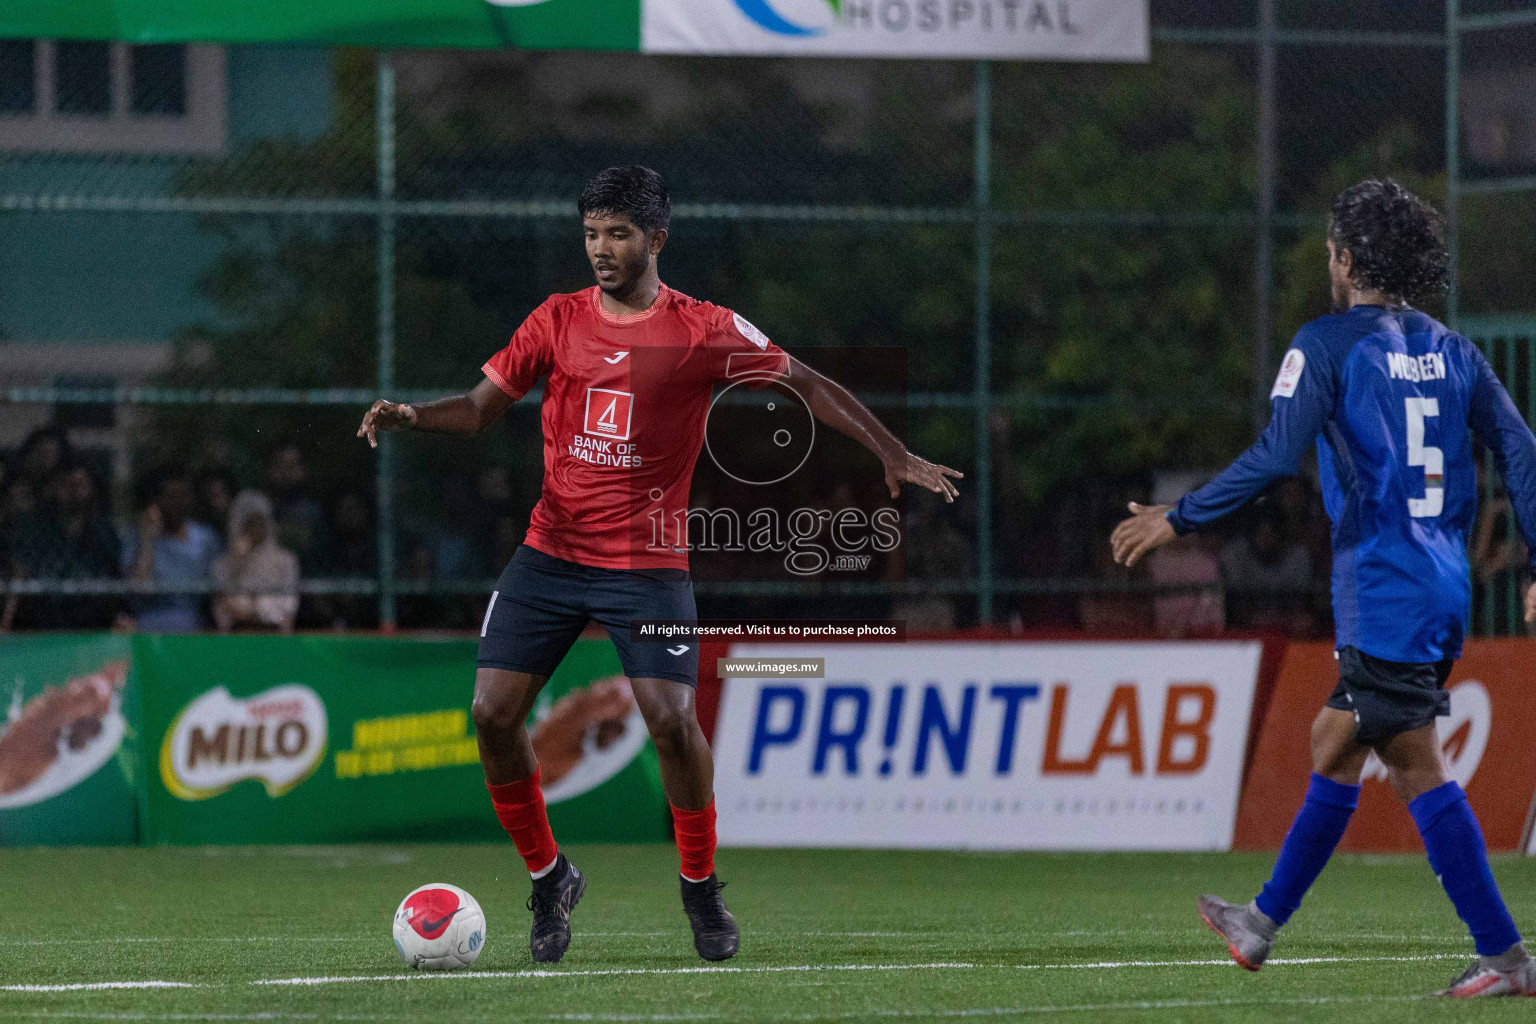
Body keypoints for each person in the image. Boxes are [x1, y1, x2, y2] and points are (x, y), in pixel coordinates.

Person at [357, 166, 961, 965]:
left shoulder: (702, 329)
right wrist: (412, 415)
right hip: (551, 553)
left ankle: (701, 886)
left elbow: (807, 384)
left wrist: (892, 452)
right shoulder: (556, 320)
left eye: (618, 234)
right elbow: (475, 410)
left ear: (656, 239)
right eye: (591, 234)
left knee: (672, 723)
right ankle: (549, 877)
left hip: (646, 565)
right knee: (491, 715)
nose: (601, 250)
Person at [1110, 179, 1536, 997]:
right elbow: (1521, 455)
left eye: (1330, 248)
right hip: (1439, 585)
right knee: (1333, 743)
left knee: (1414, 762)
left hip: (1383, 586)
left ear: (1345, 258)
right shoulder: (1457, 352)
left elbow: (1276, 458)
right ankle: (1259, 924)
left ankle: (1508, 959)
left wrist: (1180, 519)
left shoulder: (1328, 344)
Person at [7, 465, 123, 630]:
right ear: (56, 488)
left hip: (94, 624)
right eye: (67, 485)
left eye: (80, 485)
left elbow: (117, 579)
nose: (74, 491)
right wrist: (5, 625)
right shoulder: (36, 531)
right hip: (44, 624)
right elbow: (19, 574)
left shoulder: (104, 532)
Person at [122, 468, 222, 633]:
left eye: (183, 495)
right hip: (147, 622)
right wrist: (147, 540)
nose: (177, 503)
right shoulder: (137, 536)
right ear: (157, 500)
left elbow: (217, 590)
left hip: (193, 624)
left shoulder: (205, 538)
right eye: (171, 496)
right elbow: (138, 588)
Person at [211, 490, 300, 633]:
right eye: (250, 523)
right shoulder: (222, 564)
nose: (256, 529)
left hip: (274, 636)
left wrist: (257, 612)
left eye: (260, 523)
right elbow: (223, 608)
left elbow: (288, 610)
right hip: (237, 637)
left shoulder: (287, 561)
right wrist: (237, 562)